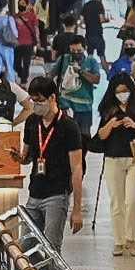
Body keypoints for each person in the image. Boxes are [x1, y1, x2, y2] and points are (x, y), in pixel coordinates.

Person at [7, 76, 84, 249]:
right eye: (33, 100)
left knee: (51, 248)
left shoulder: (68, 126)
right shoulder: (32, 122)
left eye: (40, 100)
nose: (36, 104)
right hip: (35, 193)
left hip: (57, 194)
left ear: (52, 98)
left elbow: (77, 168)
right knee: (26, 245)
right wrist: (18, 157)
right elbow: (26, 157)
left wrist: (77, 209)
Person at [96, 72, 135, 256]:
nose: (122, 94)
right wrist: (111, 125)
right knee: (117, 202)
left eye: (125, 90)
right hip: (113, 158)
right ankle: (118, 240)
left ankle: (131, 238)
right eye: (118, 91)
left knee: (133, 200)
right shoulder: (108, 109)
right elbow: (100, 136)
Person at [54, 34, 102, 138]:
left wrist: (80, 71)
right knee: (64, 136)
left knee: (84, 137)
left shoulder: (91, 61)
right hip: (65, 106)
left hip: (84, 108)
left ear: (84, 48)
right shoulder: (63, 59)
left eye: (79, 51)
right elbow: (50, 75)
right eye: (73, 50)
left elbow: (96, 80)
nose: (76, 53)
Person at [0, 3, 19, 85]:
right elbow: (15, 33)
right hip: (6, 45)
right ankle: (11, 86)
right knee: (9, 67)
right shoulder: (8, 19)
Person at [13, 0, 39, 84]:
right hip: (17, 44)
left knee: (26, 63)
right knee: (16, 65)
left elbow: (36, 28)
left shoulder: (32, 16)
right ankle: (21, 75)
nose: (21, 5)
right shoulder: (15, 16)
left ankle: (24, 80)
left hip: (29, 43)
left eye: (23, 3)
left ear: (27, 5)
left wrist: (38, 41)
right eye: (20, 3)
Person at [80, 0, 109, 65]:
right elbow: (101, 20)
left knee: (90, 57)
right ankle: (109, 76)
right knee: (102, 57)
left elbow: (81, 21)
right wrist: (107, 20)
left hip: (88, 35)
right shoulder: (99, 5)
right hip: (98, 35)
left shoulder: (86, 5)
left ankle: (89, 74)